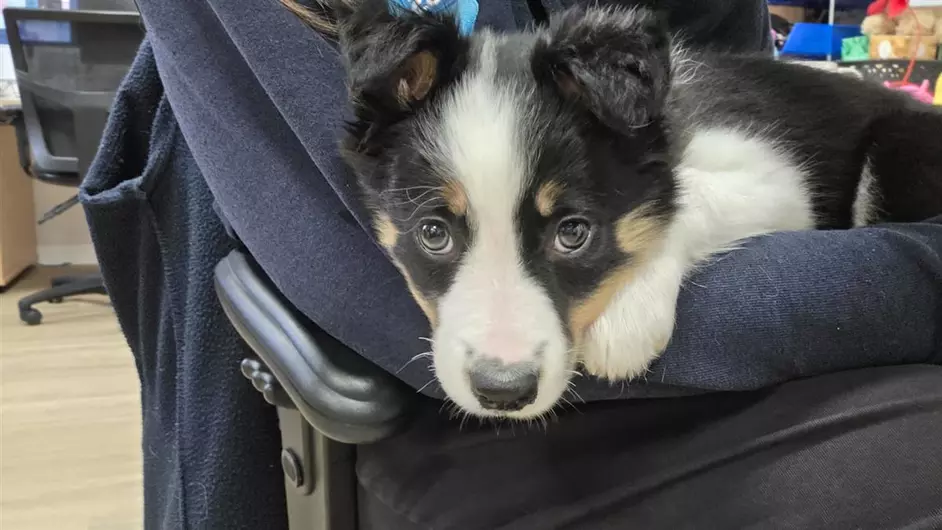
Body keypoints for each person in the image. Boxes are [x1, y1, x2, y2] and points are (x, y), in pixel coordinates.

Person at [81, 0, 942, 528]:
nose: (503, 342)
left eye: (569, 236)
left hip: (873, 182)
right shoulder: (388, 84)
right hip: (467, 434)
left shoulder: (633, 118)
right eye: (436, 234)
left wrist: (668, 247)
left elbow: (750, 173)